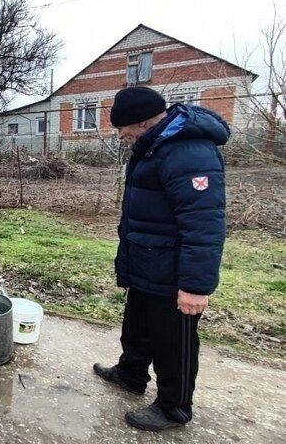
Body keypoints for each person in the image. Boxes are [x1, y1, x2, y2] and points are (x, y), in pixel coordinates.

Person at [93, 87, 228, 431]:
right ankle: (131, 373)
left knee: (174, 340)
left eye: (121, 127)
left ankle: (174, 407)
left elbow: (203, 223)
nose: (120, 135)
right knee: (137, 324)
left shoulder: (188, 151)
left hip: (173, 270)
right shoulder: (154, 145)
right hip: (147, 260)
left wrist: (195, 287)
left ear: (140, 122)